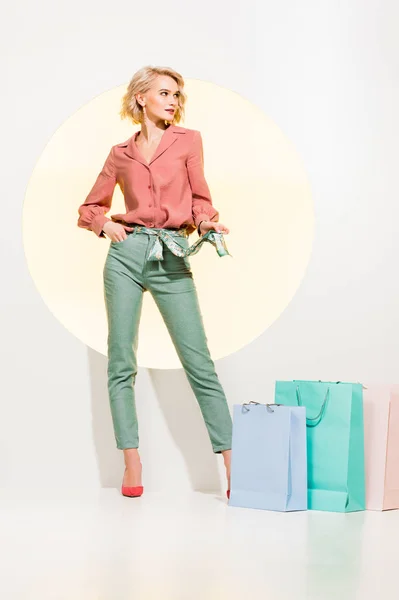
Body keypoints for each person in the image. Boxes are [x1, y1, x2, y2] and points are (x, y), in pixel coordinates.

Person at [77, 65, 232, 499]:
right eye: (165, 92)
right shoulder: (119, 153)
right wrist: (104, 224)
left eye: (177, 95)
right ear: (141, 97)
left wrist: (207, 224)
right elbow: (90, 206)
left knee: (198, 362)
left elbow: (201, 198)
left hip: (171, 255)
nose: (173, 100)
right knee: (121, 362)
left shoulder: (189, 141)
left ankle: (234, 464)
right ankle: (131, 461)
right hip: (126, 255)